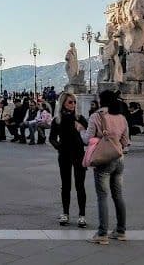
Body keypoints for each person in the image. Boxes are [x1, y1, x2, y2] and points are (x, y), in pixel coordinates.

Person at [85, 90, 130, 245]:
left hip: (104, 159)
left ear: (101, 100)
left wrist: (80, 131)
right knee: (118, 195)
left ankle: (102, 233)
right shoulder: (122, 117)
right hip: (119, 158)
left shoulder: (96, 116)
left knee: (102, 196)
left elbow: (87, 138)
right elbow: (126, 141)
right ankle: (121, 230)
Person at [49, 92, 88, 228]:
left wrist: (82, 129)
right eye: (70, 102)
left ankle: (82, 215)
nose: (73, 105)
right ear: (63, 103)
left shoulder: (80, 118)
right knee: (65, 185)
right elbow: (52, 137)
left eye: (74, 102)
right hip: (64, 154)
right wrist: (59, 147)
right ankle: (65, 213)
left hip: (78, 154)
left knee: (80, 185)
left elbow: (88, 136)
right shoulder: (57, 120)